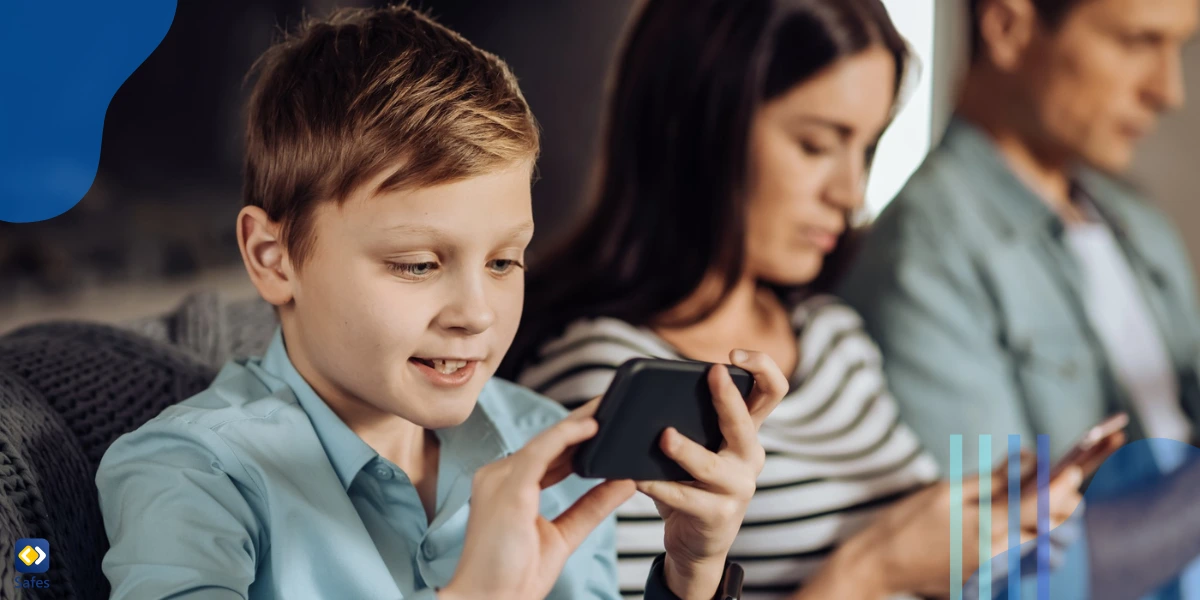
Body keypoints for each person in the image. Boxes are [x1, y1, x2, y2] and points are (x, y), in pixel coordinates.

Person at [94, 5, 786, 599]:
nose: (477, 313)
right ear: (273, 259)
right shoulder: (190, 473)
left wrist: (692, 573)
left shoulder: (544, 448)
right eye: (419, 264)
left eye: (504, 261)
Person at [502, 1, 1085, 598]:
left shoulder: (832, 335)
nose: (851, 193)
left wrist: (977, 520)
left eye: (866, 148)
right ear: (705, 126)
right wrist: (871, 570)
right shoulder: (606, 379)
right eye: (815, 145)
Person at [839, 0, 1200, 473]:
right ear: (1009, 28)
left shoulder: (1140, 222)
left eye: (1178, 47)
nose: (1168, 92)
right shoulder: (923, 256)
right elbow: (999, 539)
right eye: (1137, 42)